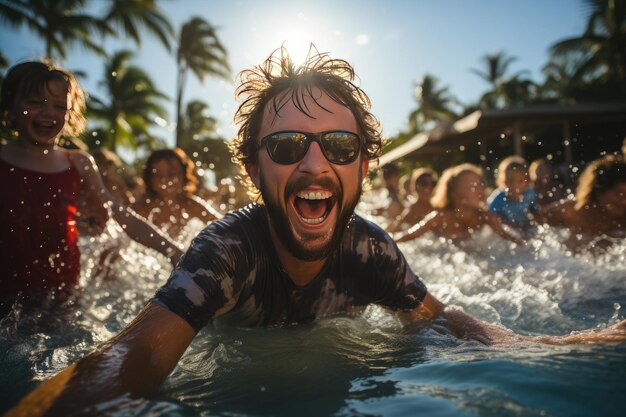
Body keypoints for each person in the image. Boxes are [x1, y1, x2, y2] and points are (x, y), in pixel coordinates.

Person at [7, 48, 625, 417]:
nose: (313, 164)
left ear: (363, 165)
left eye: (338, 144)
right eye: (285, 145)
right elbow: (134, 353)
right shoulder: (226, 250)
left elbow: (451, 324)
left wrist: (577, 344)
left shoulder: (369, 250)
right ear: (253, 168)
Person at [0, 61, 183, 308]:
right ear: (11, 107)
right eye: (35, 103)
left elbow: (119, 213)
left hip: (63, 301)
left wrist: (172, 250)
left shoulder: (77, 163)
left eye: (59, 106)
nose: (48, 114)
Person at [395, 163, 524, 245]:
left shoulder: (485, 217)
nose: (480, 190)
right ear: (454, 192)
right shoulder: (439, 218)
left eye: (480, 184)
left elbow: (515, 240)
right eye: (471, 186)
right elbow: (406, 237)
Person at [538, 154, 626, 250]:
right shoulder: (573, 213)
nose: (624, 200)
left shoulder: (623, 221)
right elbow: (537, 224)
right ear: (599, 191)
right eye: (619, 193)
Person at [132, 148, 222, 238]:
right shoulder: (143, 207)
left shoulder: (191, 205)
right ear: (150, 179)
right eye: (158, 175)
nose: (164, 180)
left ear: (184, 175)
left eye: (171, 174)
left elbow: (223, 226)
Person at [487, 156, 538, 236]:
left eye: (520, 181)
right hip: (510, 231)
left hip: (527, 228)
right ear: (503, 180)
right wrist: (510, 227)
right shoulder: (498, 199)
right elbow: (490, 217)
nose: (515, 185)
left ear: (527, 181)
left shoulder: (530, 193)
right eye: (510, 180)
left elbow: (537, 212)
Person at [388, 167, 437, 233]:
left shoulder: (438, 207)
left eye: (433, 184)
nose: (428, 188)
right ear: (415, 186)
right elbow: (393, 229)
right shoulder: (411, 210)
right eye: (424, 183)